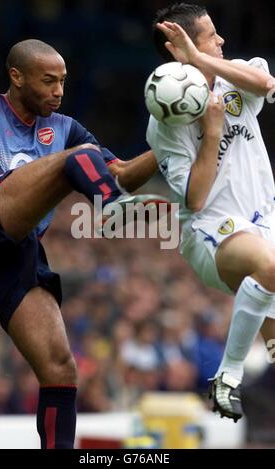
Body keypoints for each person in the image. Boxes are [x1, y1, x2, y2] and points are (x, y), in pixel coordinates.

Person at [0, 39, 162, 448]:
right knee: (73, 157)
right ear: (16, 76)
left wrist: (168, 149)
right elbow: (84, 162)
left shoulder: (65, 129)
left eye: (62, 81)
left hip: (12, 253)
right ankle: (114, 212)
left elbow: (122, 172)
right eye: (48, 81)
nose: (58, 91)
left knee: (60, 368)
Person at [146, 3, 275, 422]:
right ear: (179, 46)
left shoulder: (233, 73)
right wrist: (212, 131)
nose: (221, 41)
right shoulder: (166, 121)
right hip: (210, 232)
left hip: (264, 222)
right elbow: (195, 199)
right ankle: (228, 374)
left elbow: (266, 81)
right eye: (210, 36)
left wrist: (201, 60)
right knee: (269, 266)